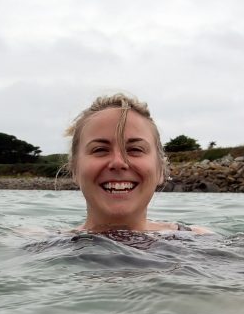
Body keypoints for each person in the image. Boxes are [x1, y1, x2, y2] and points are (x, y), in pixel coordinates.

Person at [65, 93, 211, 234]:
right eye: (100, 150)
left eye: (135, 149)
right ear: (74, 170)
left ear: (160, 169)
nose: (118, 162)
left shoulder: (198, 239)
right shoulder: (45, 244)